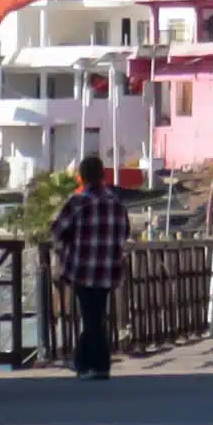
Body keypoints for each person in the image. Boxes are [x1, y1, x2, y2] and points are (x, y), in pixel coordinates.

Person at [54, 156, 134, 379]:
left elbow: (58, 230)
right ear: (103, 175)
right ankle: (88, 363)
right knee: (97, 315)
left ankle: (93, 365)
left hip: (82, 268)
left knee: (90, 318)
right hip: (109, 268)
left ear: (81, 176)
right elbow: (125, 232)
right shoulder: (116, 203)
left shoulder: (78, 202)